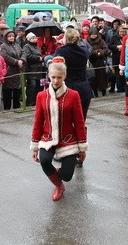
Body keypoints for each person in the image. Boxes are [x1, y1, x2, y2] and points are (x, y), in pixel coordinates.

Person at [30, 57, 88, 201]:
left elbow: (79, 122)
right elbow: (38, 121)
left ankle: (59, 177)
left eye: (59, 78)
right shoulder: (41, 96)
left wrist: (82, 147)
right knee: (44, 161)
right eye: (53, 77)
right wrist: (35, 146)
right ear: (49, 76)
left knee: (67, 176)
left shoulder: (73, 95)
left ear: (65, 77)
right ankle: (58, 185)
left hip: (68, 139)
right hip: (47, 138)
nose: (56, 81)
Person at [53, 28, 92, 122]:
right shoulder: (84, 51)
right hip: (84, 88)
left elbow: (55, 69)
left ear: (65, 38)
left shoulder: (60, 51)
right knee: (81, 120)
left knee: (66, 122)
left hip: (67, 88)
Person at [0, 30, 25, 110]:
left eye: (13, 36)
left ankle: (16, 106)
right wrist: (16, 62)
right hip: (9, 71)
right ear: (6, 37)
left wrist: (22, 60)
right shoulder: (3, 46)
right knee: (8, 91)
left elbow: (23, 52)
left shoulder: (16, 45)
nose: (11, 38)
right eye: (9, 36)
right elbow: (5, 56)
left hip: (18, 71)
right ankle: (7, 108)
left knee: (17, 90)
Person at [23, 32, 45, 107]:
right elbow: (28, 56)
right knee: (32, 86)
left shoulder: (37, 47)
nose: (34, 39)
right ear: (29, 39)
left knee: (39, 86)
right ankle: (30, 103)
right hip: (31, 70)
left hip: (39, 69)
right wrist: (38, 58)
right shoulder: (26, 46)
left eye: (35, 37)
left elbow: (40, 55)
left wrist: (42, 60)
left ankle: (37, 102)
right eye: (32, 38)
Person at [87, 27, 109, 98]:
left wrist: (101, 52)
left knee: (102, 77)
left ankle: (103, 92)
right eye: (92, 34)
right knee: (93, 78)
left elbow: (106, 49)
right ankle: (95, 92)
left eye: (95, 34)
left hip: (100, 61)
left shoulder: (101, 40)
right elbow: (87, 50)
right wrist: (95, 52)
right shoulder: (87, 41)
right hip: (92, 62)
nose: (93, 36)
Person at [108, 25, 127, 93]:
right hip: (116, 58)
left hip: (125, 58)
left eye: (124, 32)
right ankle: (119, 88)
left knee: (125, 74)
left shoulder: (127, 37)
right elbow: (109, 46)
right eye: (121, 31)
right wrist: (117, 47)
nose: (122, 33)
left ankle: (125, 87)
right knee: (118, 74)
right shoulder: (114, 37)